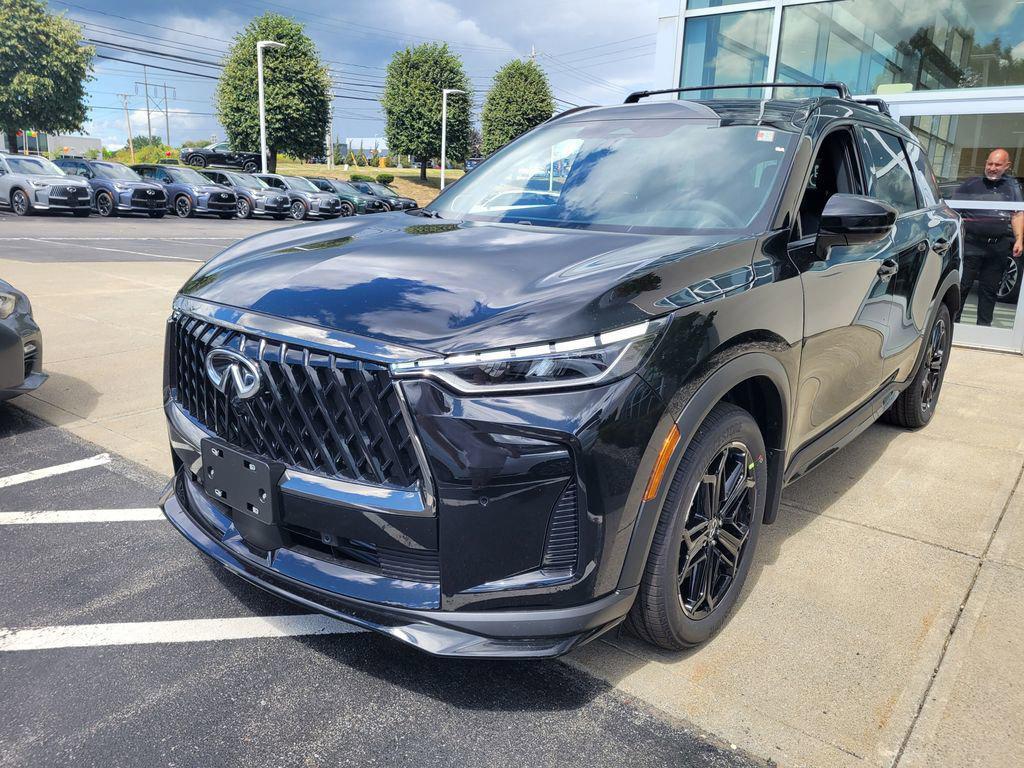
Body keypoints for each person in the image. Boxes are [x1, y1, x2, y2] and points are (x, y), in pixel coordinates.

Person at [954, 149, 1024, 326]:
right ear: (985, 163)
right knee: (962, 287)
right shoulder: (971, 184)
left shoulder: (1012, 187)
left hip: (997, 247)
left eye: (997, 165)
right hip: (971, 244)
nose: (992, 168)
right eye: (990, 164)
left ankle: (983, 329)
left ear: (1007, 166)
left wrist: (1019, 239)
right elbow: (953, 211)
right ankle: (953, 325)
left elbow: (1017, 214)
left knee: (989, 291)